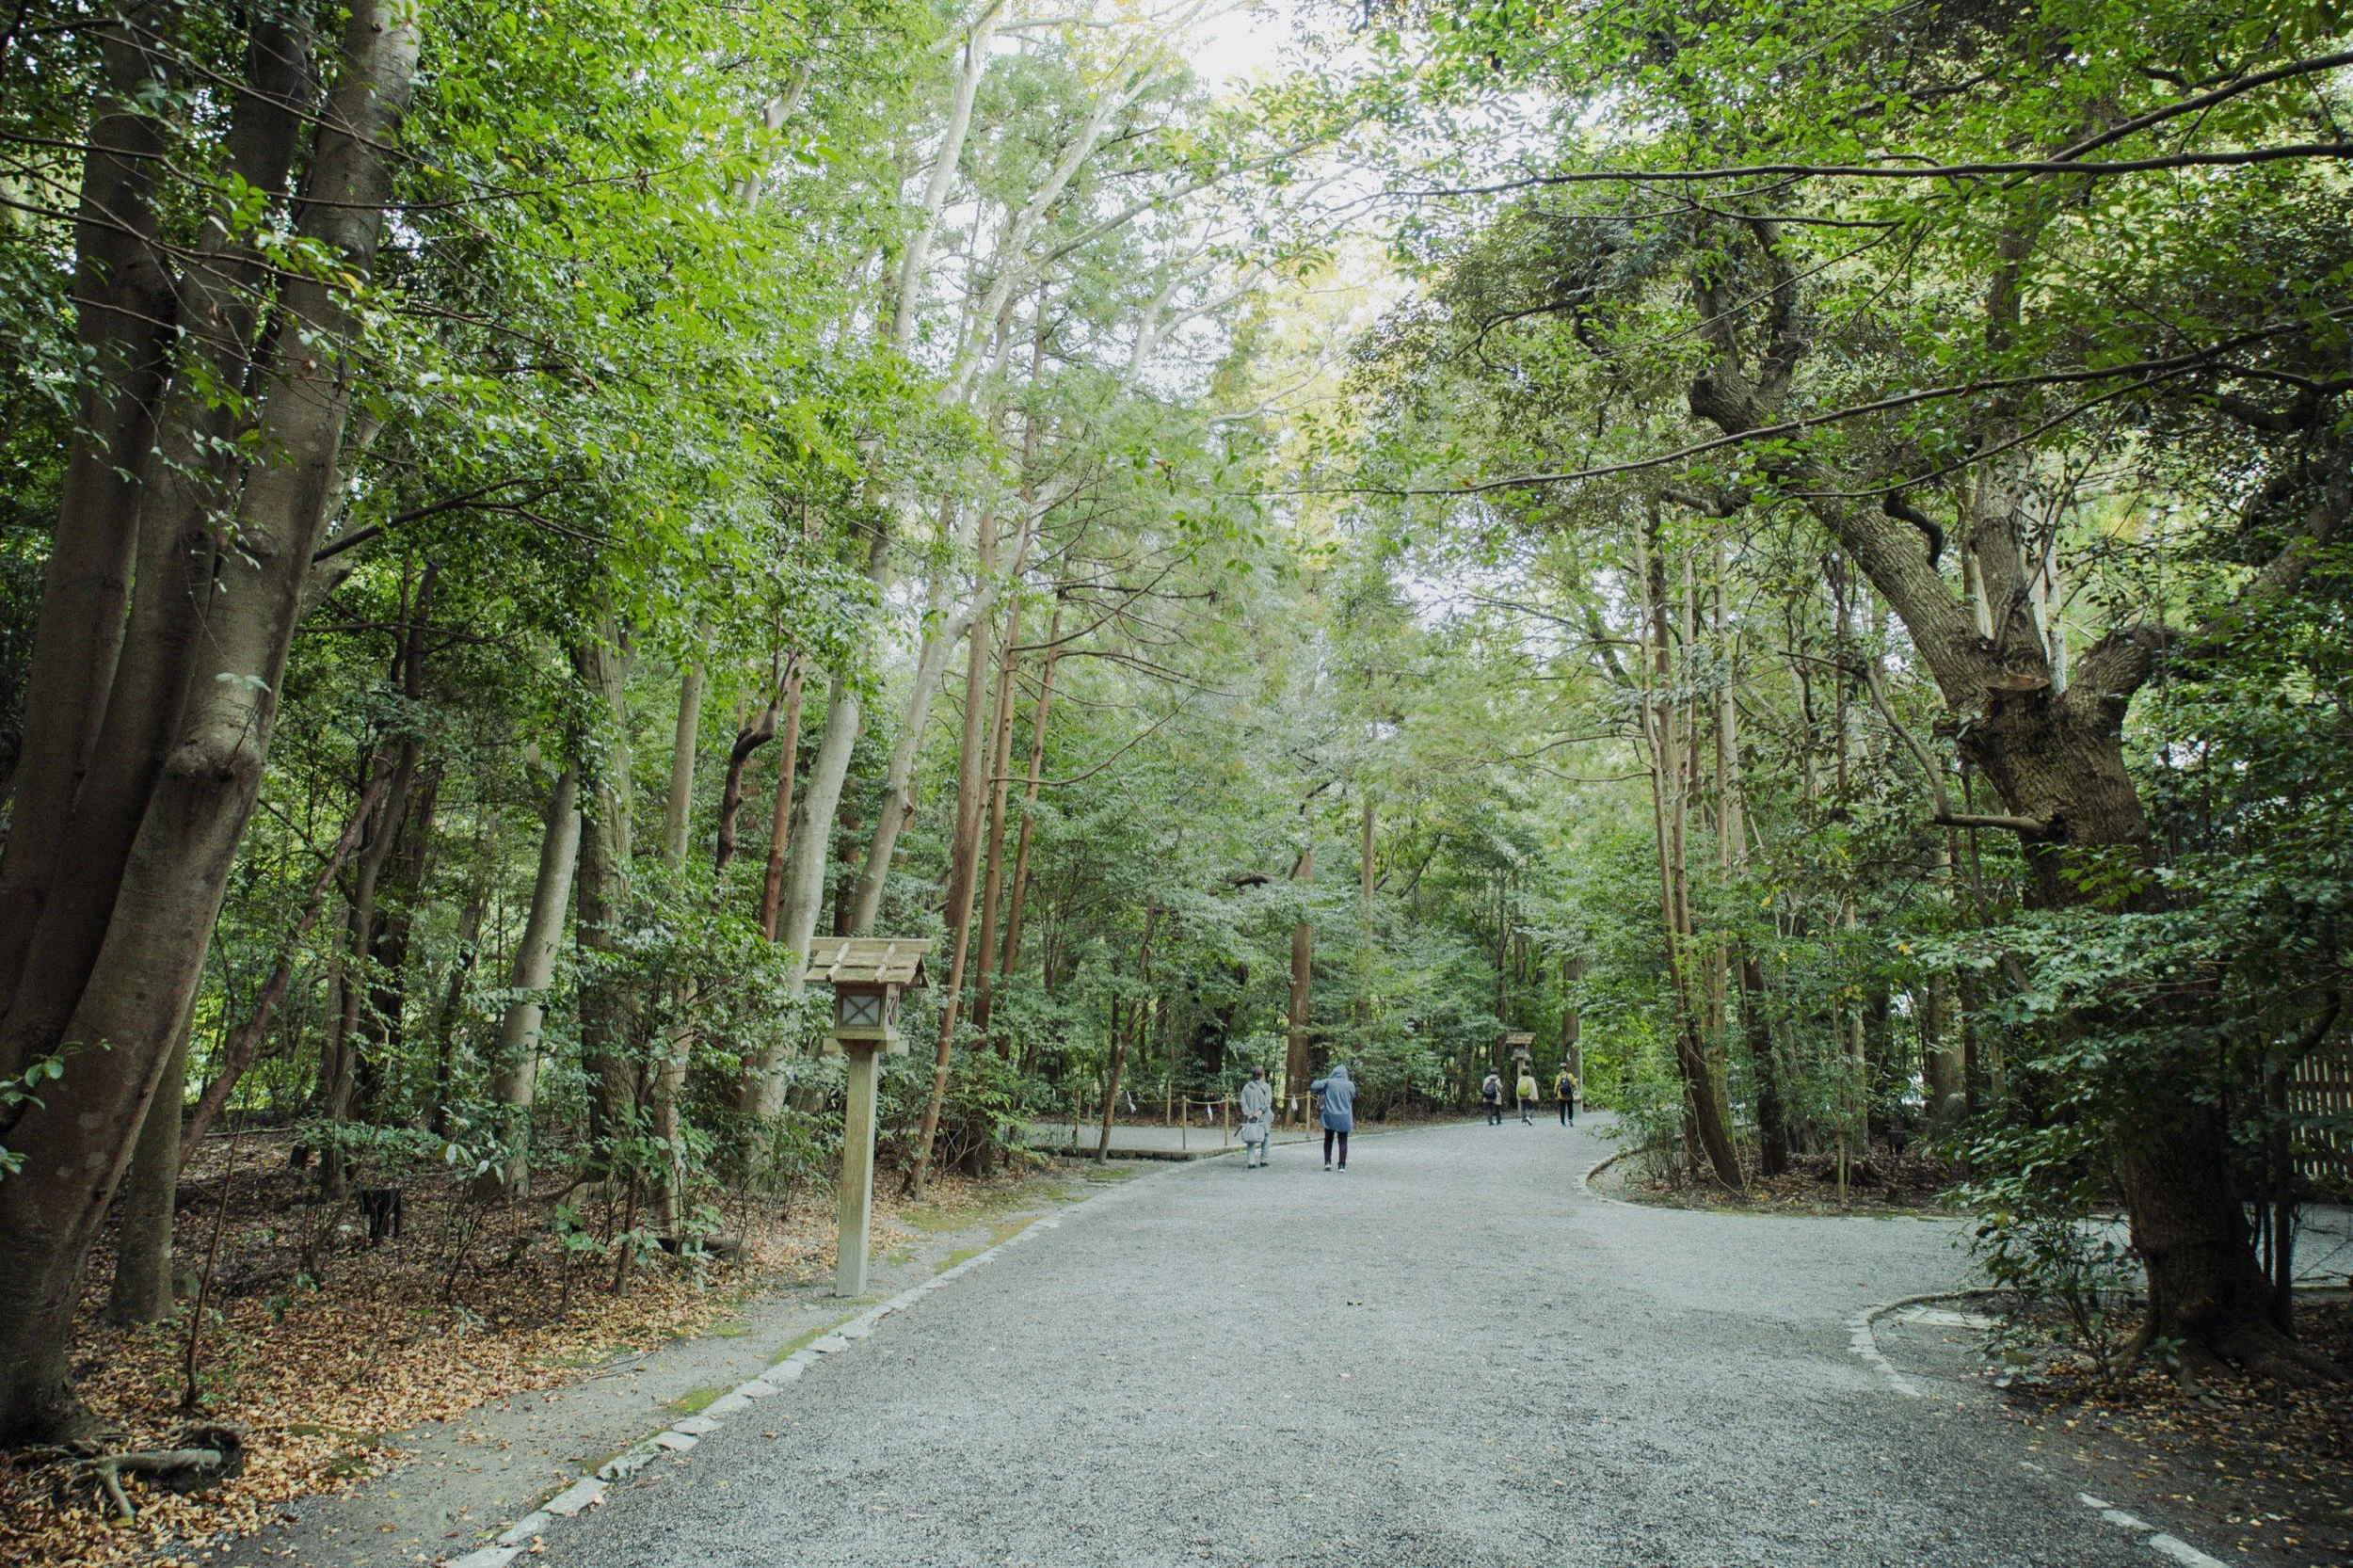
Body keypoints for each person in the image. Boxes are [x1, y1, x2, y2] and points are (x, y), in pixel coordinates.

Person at [1309, 1063, 1355, 1171]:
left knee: (1328, 1139)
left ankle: (1327, 1162)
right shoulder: (1350, 1085)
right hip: (1344, 1116)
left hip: (1330, 1115)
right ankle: (1342, 1165)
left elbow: (1314, 1086)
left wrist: (1326, 1079)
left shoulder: (1329, 1082)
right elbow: (1352, 1097)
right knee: (1343, 1140)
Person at [1238, 1066, 1273, 1169]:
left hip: (1251, 1117)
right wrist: (1260, 1112)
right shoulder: (1266, 1087)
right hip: (1264, 1115)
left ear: (1252, 1075)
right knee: (1265, 1137)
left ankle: (1251, 1162)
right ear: (1262, 1075)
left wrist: (1249, 1114)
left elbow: (1243, 1103)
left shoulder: (1246, 1087)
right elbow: (1268, 1102)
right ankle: (1264, 1160)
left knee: (1250, 1138)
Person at [1555, 1062, 1578, 1126]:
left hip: (1561, 1096)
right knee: (1570, 1108)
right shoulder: (1570, 1075)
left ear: (1560, 1069)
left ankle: (1563, 1122)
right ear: (1566, 1068)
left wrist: (1555, 1094)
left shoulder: (1558, 1077)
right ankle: (1570, 1119)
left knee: (1562, 1109)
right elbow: (1574, 1084)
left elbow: (1556, 1086)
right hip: (1569, 1095)